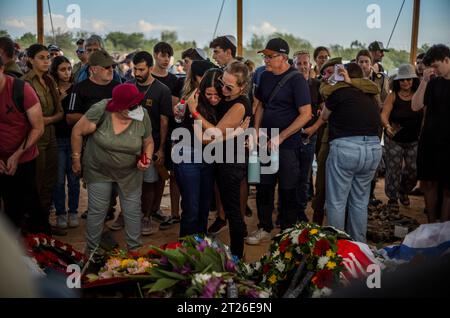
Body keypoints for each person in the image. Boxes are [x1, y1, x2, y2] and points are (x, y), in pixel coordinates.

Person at [71, 83, 154, 253]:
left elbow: (148, 141)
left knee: (132, 211)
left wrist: (146, 159)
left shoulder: (141, 114)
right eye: (130, 106)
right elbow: (77, 131)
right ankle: (92, 252)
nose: (135, 109)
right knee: (98, 210)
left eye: (137, 104)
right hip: (98, 169)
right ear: (118, 106)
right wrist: (76, 159)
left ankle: (134, 252)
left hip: (130, 172)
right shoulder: (101, 110)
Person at [248, 38, 312, 245]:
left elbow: (306, 114)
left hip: (288, 144)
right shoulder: (264, 77)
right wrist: (256, 131)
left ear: (283, 57)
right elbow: (261, 106)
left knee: (288, 187)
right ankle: (264, 226)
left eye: (270, 56)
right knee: (264, 186)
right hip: (265, 141)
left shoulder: (296, 79)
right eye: (264, 56)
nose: (265, 59)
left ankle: (287, 230)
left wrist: (282, 136)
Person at [187, 61, 252, 259]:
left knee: (233, 211)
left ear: (242, 87)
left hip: (231, 162)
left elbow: (211, 135)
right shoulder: (227, 98)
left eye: (228, 87)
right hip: (221, 158)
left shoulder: (240, 104)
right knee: (226, 207)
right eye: (222, 83)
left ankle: (237, 257)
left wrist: (194, 111)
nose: (222, 89)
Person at [321, 63, 382, 242]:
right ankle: (358, 248)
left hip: (346, 148)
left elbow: (324, 116)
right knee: (360, 203)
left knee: (337, 203)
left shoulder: (339, 92)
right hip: (372, 149)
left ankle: (337, 251)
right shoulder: (371, 95)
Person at [0, 56, 49, 234]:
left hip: (24, 156)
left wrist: (17, 155)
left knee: (30, 203)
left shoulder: (21, 89)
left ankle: (43, 247)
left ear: (1, 70)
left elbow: (38, 127)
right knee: (9, 210)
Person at [126, 51, 173, 235]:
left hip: (151, 144)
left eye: (141, 69)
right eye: (135, 68)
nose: (137, 73)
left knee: (150, 181)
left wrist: (161, 149)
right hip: (129, 143)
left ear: (150, 68)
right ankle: (129, 214)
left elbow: (164, 122)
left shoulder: (162, 90)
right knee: (129, 182)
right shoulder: (128, 86)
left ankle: (147, 216)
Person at [173, 68, 223, 237]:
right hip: (188, 156)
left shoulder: (224, 103)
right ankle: (185, 250)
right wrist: (235, 133)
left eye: (217, 95)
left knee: (204, 208)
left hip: (207, 158)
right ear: (201, 90)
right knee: (191, 208)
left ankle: (200, 248)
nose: (214, 99)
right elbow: (203, 137)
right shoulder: (192, 102)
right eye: (209, 94)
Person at [22, 44, 64, 235]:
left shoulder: (49, 80)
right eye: (41, 57)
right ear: (30, 60)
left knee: (50, 181)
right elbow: (26, 118)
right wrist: (44, 121)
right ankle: (33, 226)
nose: (47, 60)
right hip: (35, 138)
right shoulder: (25, 83)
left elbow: (60, 113)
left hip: (51, 135)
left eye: (48, 57)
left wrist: (45, 120)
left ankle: (44, 223)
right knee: (35, 183)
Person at [412, 44, 450, 222]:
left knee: (448, 188)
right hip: (430, 140)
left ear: (447, 60)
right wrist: (424, 82)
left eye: (436, 66)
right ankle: (431, 225)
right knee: (428, 183)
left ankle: (443, 228)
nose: (433, 70)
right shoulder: (433, 82)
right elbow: (416, 106)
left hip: (448, 142)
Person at [381, 64, 422, 213]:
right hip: (394, 139)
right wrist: (387, 126)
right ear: (398, 81)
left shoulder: (419, 94)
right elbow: (384, 114)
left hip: (413, 140)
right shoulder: (393, 95)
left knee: (414, 169)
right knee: (393, 169)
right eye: (402, 80)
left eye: (409, 79)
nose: (405, 82)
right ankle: (392, 198)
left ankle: (403, 191)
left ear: (413, 80)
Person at [151, 42, 184, 228]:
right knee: (150, 174)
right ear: (155, 55)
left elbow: (179, 106)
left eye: (168, 56)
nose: (166, 59)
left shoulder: (174, 80)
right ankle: (150, 209)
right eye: (162, 55)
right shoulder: (146, 77)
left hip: (171, 131)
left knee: (171, 174)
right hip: (150, 132)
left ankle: (173, 212)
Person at [50, 56, 80, 229]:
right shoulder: (52, 90)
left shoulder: (76, 89)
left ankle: (73, 211)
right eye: (62, 69)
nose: (67, 72)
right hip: (57, 139)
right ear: (55, 71)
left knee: (74, 178)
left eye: (69, 68)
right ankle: (61, 213)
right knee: (59, 180)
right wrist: (59, 99)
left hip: (74, 138)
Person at [293, 50, 324, 222]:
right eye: (299, 63)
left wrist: (313, 128)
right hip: (289, 135)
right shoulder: (288, 84)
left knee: (304, 175)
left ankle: (300, 210)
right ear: (293, 65)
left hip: (309, 135)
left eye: (305, 63)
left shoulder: (317, 85)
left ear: (310, 65)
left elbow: (324, 110)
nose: (303, 67)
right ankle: (286, 210)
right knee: (288, 174)